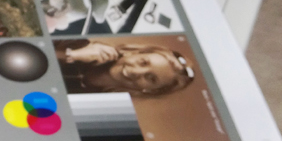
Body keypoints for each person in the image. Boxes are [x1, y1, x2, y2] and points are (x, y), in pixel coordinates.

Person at [56, 39, 195, 97]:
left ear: (150, 90)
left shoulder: (100, 109)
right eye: (143, 62)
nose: (136, 72)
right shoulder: (78, 44)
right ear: (133, 53)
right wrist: (71, 54)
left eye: (151, 78)